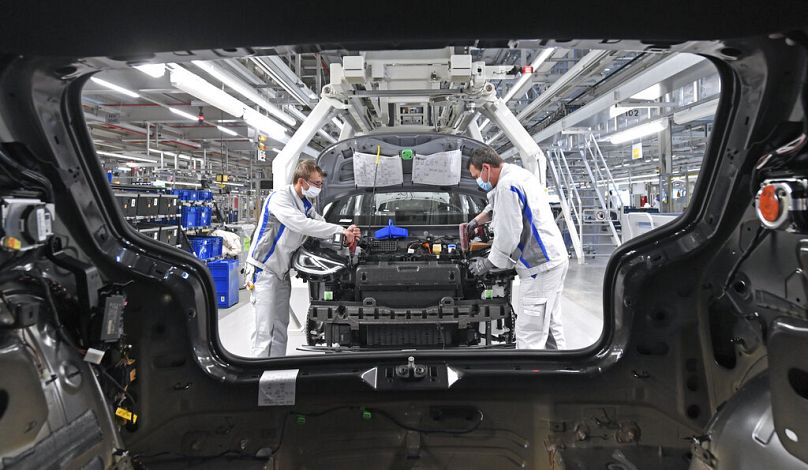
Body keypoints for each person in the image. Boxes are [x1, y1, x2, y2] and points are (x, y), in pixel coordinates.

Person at [246, 160, 361, 358]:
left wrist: (346, 231)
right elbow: (302, 224)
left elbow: (320, 224)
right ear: (301, 181)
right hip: (263, 269)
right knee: (263, 329)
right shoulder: (280, 198)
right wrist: (339, 230)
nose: (319, 187)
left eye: (321, 184)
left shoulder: (305, 204)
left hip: (281, 272)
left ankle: (275, 367)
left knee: (280, 325)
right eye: (316, 183)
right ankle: (257, 371)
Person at [464, 148, 569, 350]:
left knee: (529, 332)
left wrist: (486, 263)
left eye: (477, 176)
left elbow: (508, 235)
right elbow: (496, 206)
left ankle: (530, 370)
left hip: (539, 265)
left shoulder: (507, 185)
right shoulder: (516, 175)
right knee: (549, 324)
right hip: (553, 260)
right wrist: (476, 221)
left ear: (486, 168)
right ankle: (560, 365)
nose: (478, 182)